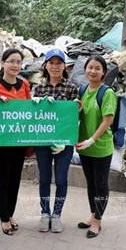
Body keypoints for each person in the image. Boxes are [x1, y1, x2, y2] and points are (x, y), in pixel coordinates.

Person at [32, 48, 79, 233]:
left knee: (61, 179)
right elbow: (33, 117)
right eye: (51, 63)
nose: (55, 66)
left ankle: (57, 214)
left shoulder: (71, 88)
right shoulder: (39, 88)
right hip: (43, 141)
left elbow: (74, 118)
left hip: (63, 143)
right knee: (44, 178)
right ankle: (45, 214)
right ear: (46, 65)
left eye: (58, 63)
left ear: (64, 66)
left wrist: (77, 108)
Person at [76, 55, 116, 238]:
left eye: (97, 68)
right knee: (91, 183)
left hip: (100, 147)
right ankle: (92, 216)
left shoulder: (107, 93)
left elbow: (107, 120)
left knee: (100, 184)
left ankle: (98, 221)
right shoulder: (82, 90)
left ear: (104, 72)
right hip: (84, 147)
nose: (93, 71)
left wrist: (92, 139)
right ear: (85, 70)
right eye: (90, 67)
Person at [0, 48, 31, 235]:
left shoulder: (24, 85)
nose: (15, 65)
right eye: (11, 61)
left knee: (15, 179)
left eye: (18, 62)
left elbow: (29, 110)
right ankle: (4, 218)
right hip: (2, 142)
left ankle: (10, 214)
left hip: (19, 140)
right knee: (3, 180)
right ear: (3, 63)